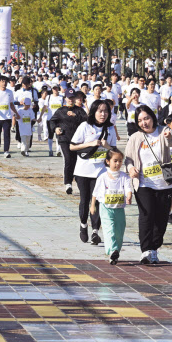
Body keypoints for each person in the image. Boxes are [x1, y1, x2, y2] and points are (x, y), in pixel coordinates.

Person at [124, 105, 172, 264]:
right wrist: (130, 168)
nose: (144, 123)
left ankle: (154, 249)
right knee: (146, 216)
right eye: (140, 120)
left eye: (146, 118)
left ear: (152, 117)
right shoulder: (135, 137)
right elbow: (128, 158)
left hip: (164, 183)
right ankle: (145, 250)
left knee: (161, 219)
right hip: (144, 183)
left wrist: (168, 136)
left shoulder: (163, 131)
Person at [70, 99, 117, 246]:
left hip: (101, 171)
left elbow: (114, 151)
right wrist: (90, 143)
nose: (103, 114)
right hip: (83, 170)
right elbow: (72, 146)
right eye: (100, 111)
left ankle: (95, 230)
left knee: (97, 201)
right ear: (94, 112)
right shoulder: (85, 126)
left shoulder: (110, 128)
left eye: (106, 111)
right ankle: (83, 224)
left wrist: (107, 146)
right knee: (85, 201)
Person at [91, 148, 133, 265]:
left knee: (119, 232)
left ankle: (115, 253)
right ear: (108, 161)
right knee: (109, 230)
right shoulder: (103, 177)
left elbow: (128, 188)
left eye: (120, 161)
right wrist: (93, 205)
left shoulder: (124, 176)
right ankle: (112, 250)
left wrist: (129, 196)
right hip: (106, 208)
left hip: (119, 209)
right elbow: (95, 192)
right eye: (115, 161)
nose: (118, 163)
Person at [52, 91, 88, 194]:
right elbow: (52, 121)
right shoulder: (60, 110)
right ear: (65, 98)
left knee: (77, 161)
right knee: (68, 159)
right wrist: (56, 128)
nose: (70, 100)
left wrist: (76, 115)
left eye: (72, 98)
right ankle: (68, 183)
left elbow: (87, 120)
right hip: (64, 139)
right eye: (69, 98)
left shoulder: (79, 110)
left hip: (77, 141)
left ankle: (79, 181)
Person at [0, 75, 20, 158]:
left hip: (7, 117)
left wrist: (16, 113)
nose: (4, 83)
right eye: (2, 81)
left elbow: (11, 104)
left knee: (7, 134)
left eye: (5, 82)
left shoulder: (10, 92)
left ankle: (6, 151)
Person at [41, 85, 63, 156]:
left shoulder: (61, 97)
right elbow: (45, 107)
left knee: (58, 135)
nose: (55, 90)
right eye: (54, 89)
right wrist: (40, 116)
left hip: (59, 119)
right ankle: (50, 150)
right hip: (50, 119)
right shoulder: (49, 97)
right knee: (50, 135)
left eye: (56, 88)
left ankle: (58, 150)